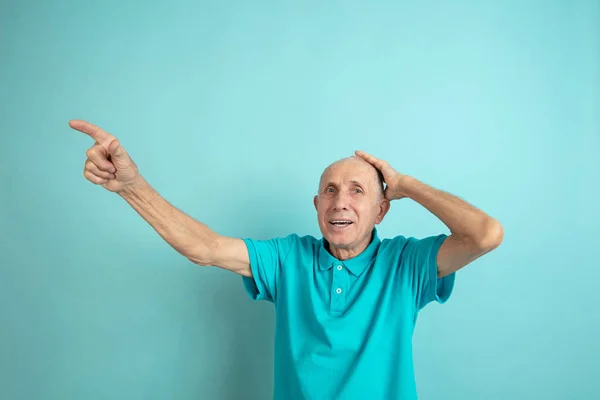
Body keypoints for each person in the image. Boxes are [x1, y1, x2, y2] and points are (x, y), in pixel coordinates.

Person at [70, 119, 503, 399]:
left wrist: (407, 183)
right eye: (330, 191)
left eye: (357, 191)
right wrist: (130, 186)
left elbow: (486, 235)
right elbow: (203, 248)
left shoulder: (406, 263)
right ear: (316, 205)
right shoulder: (287, 258)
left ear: (381, 210)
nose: (340, 202)